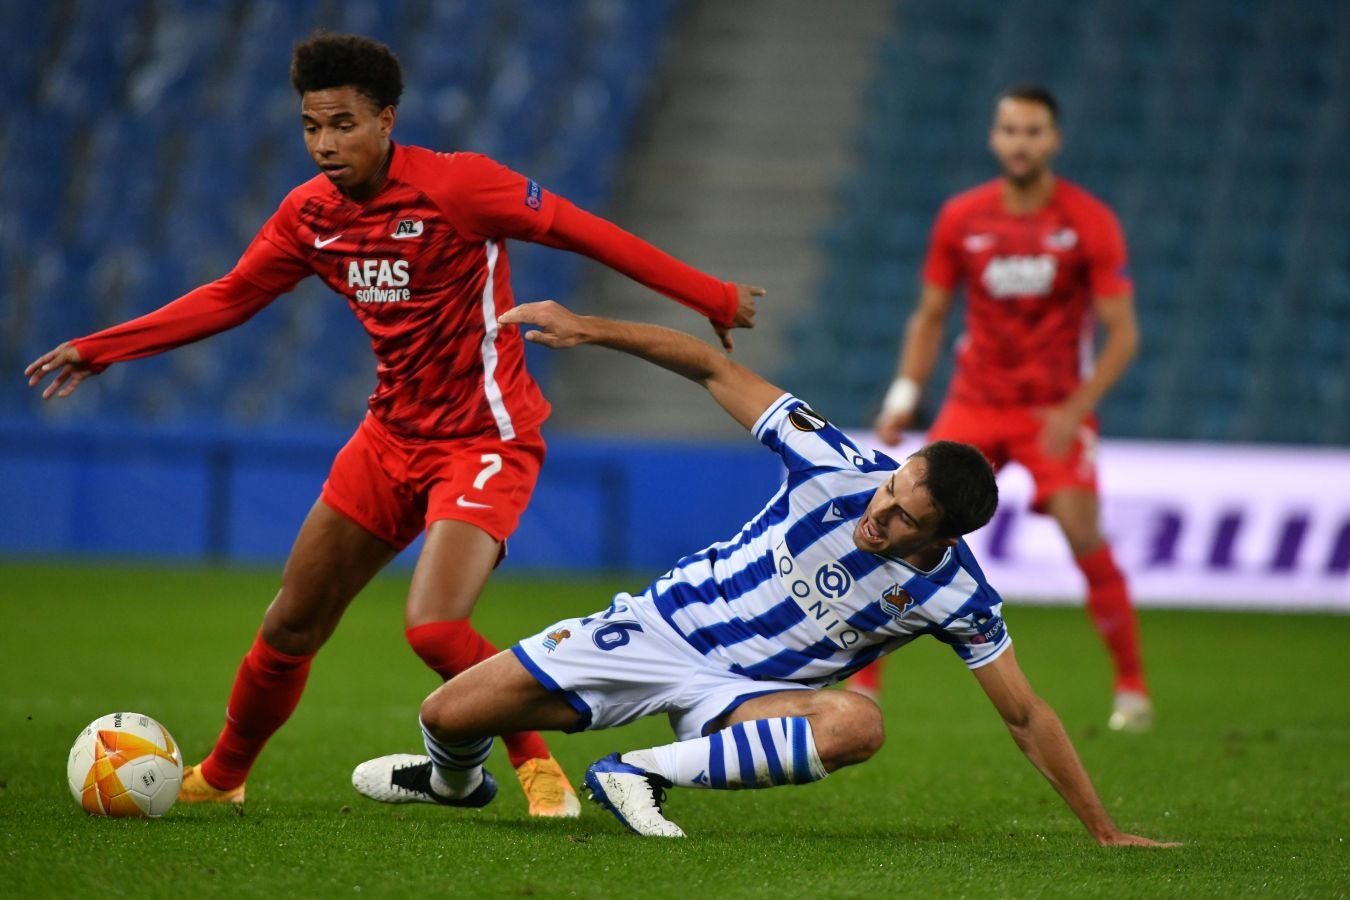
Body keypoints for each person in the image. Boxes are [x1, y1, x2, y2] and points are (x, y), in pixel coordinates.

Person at [25, 33, 763, 818]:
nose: (324, 145)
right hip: (388, 441)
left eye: (342, 124)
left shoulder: (462, 187)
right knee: (291, 620)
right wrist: (104, 348)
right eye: (311, 127)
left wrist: (709, 295)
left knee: (436, 628)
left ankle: (535, 764)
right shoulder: (309, 215)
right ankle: (224, 772)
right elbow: (231, 294)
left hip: (486, 439)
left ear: (386, 120)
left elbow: (585, 230)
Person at [348, 300, 1177, 847]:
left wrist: (1102, 831)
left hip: (741, 700)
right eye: (888, 491)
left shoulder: (959, 597)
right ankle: (455, 784)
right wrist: (591, 328)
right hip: (661, 628)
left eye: (899, 520)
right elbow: (711, 368)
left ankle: (636, 774)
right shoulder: (834, 461)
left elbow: (1026, 714)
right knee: (450, 713)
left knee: (860, 727)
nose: (875, 514)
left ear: (942, 539)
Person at [859, 84, 1151, 732]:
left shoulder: (1089, 220)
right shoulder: (962, 217)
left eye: (1033, 131)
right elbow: (931, 315)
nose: (1021, 142)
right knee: (908, 524)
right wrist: (904, 395)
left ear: (1054, 140)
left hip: (1050, 411)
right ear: (996, 138)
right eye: (1010, 130)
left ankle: (1132, 687)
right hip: (975, 403)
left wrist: (1077, 409)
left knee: (1083, 534)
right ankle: (865, 677)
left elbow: (1123, 333)